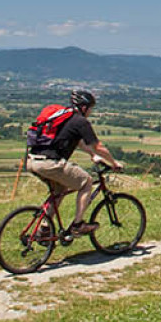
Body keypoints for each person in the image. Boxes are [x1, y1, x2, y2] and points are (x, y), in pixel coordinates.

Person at [25, 89, 123, 235]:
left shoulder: (65, 117)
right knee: (86, 182)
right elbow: (98, 146)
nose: (91, 112)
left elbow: (78, 142)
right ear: (84, 107)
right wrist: (114, 163)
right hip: (50, 163)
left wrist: (92, 155)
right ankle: (78, 225)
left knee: (60, 190)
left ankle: (45, 228)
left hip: (32, 161)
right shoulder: (80, 122)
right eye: (91, 109)